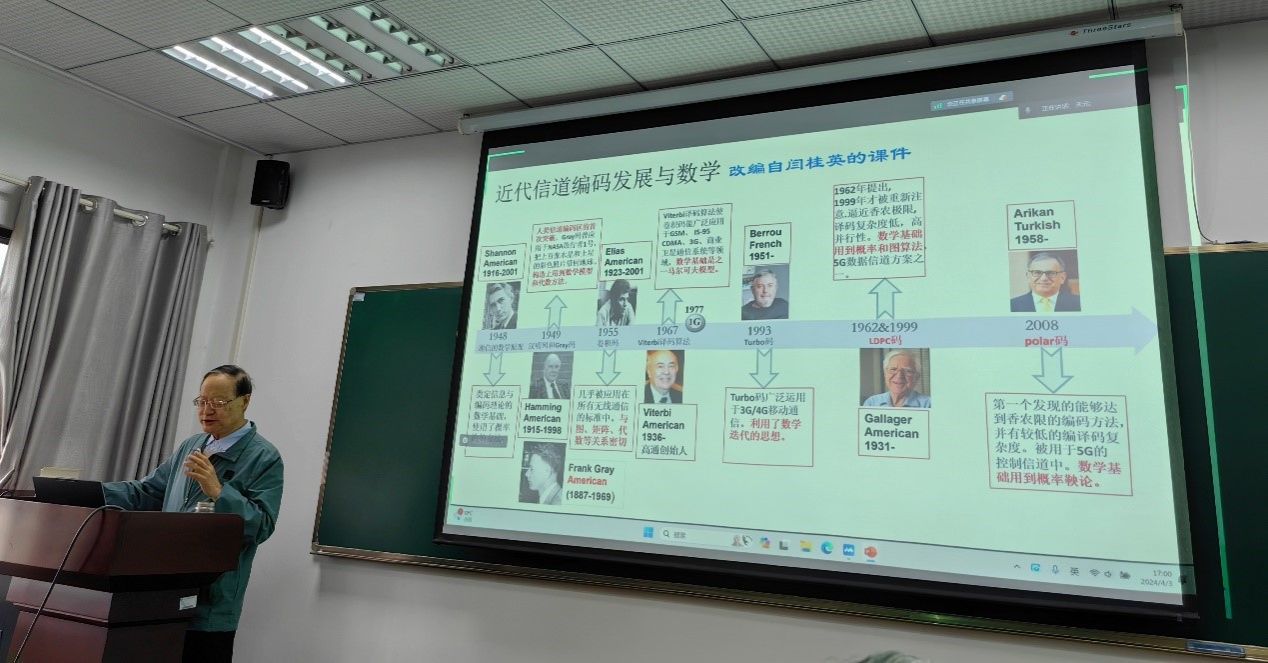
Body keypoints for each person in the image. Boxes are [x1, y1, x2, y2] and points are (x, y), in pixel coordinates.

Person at [102, 365, 283, 663]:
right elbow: (148, 492)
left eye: (218, 402)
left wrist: (218, 491)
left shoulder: (264, 457)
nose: (206, 410)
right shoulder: (192, 445)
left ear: (244, 401)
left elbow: (261, 525)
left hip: (211, 605)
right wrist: (93, 493)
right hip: (162, 594)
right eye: (202, 401)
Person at [1010, 252, 1081, 312]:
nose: (1044, 278)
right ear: (1028, 277)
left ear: (1062, 278)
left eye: (1050, 273)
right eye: (1037, 273)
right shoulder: (1012, 305)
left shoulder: (1079, 303)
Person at [862, 350, 931, 408]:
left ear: (917, 377)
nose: (899, 376)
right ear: (885, 374)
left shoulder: (928, 404)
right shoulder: (871, 403)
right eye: (893, 369)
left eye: (907, 371)